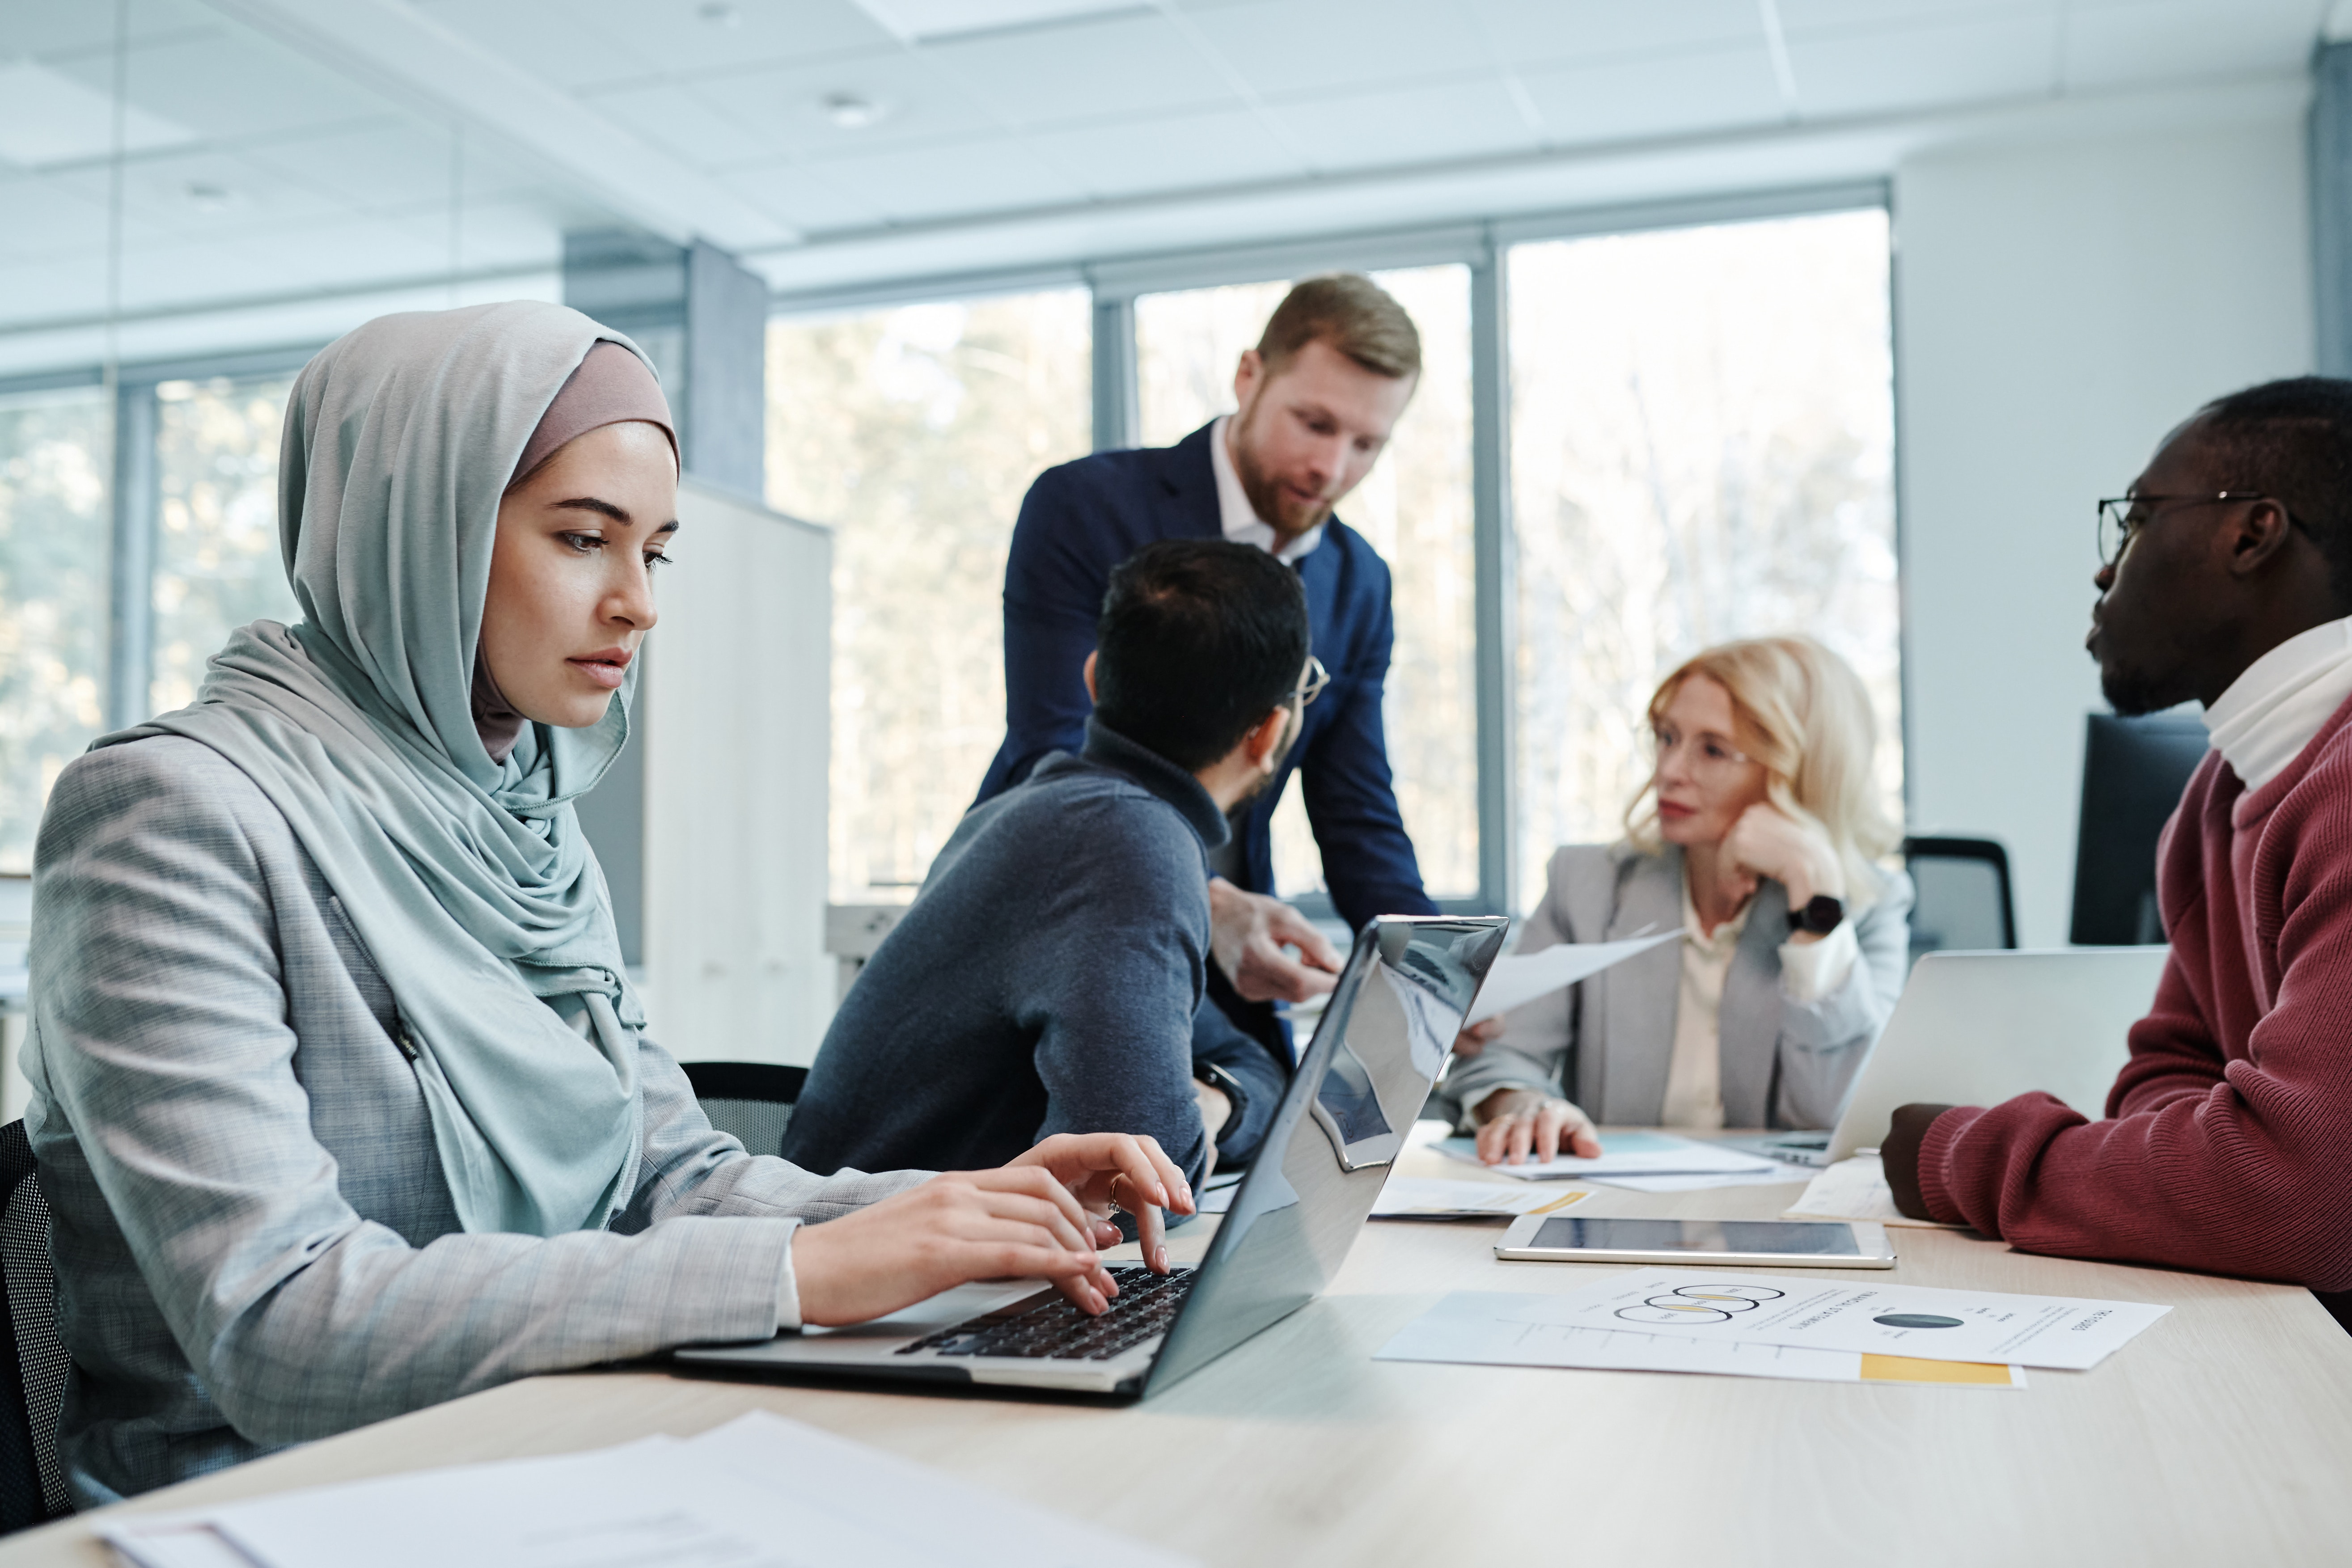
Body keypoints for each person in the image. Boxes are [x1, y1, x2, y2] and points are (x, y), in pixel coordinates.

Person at [23, 302, 1189, 1506]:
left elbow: (666, 1172)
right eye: (584, 538)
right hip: (276, 1506)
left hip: (551, 1445)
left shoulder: (525, 812)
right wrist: (799, 1273)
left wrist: (968, 1210)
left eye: (655, 552)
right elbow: (277, 1322)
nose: (639, 603)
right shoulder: (168, 813)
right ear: (420, 529)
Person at [1882, 377, 2352, 1309]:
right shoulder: (2217, 797)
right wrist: (2206, 1170)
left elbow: (2301, 1195)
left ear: (2251, 534)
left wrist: (1962, 1154)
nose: (2105, 572)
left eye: (2134, 521)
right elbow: (2172, 1072)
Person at [975, 274, 1437, 1068]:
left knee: (1264, 1121)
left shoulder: (1359, 583)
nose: (1331, 467)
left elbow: (1357, 809)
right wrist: (1202, 900)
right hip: (1054, 925)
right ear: (1248, 375)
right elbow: (1053, 751)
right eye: (1314, 423)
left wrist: (1436, 971)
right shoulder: (1086, 507)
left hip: (1227, 972)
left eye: (1367, 445)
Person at [784, 541, 1308, 1188]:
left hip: (875, 1230)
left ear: (1093, 680)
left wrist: (1221, 1102)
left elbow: (1237, 1060)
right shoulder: (1127, 843)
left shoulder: (1046, 813)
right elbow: (1137, 1188)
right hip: (888, 1244)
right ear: (1269, 733)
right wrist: (1208, 1113)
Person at [1443, 637, 1912, 1162]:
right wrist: (1528, 1107)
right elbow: (1499, 1054)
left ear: (1799, 772)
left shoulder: (1871, 907)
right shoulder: (1588, 884)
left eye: (1712, 750)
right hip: (1609, 1199)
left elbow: (1836, 1115)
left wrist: (1816, 903)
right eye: (1667, 737)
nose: (1668, 771)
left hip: (1782, 1208)